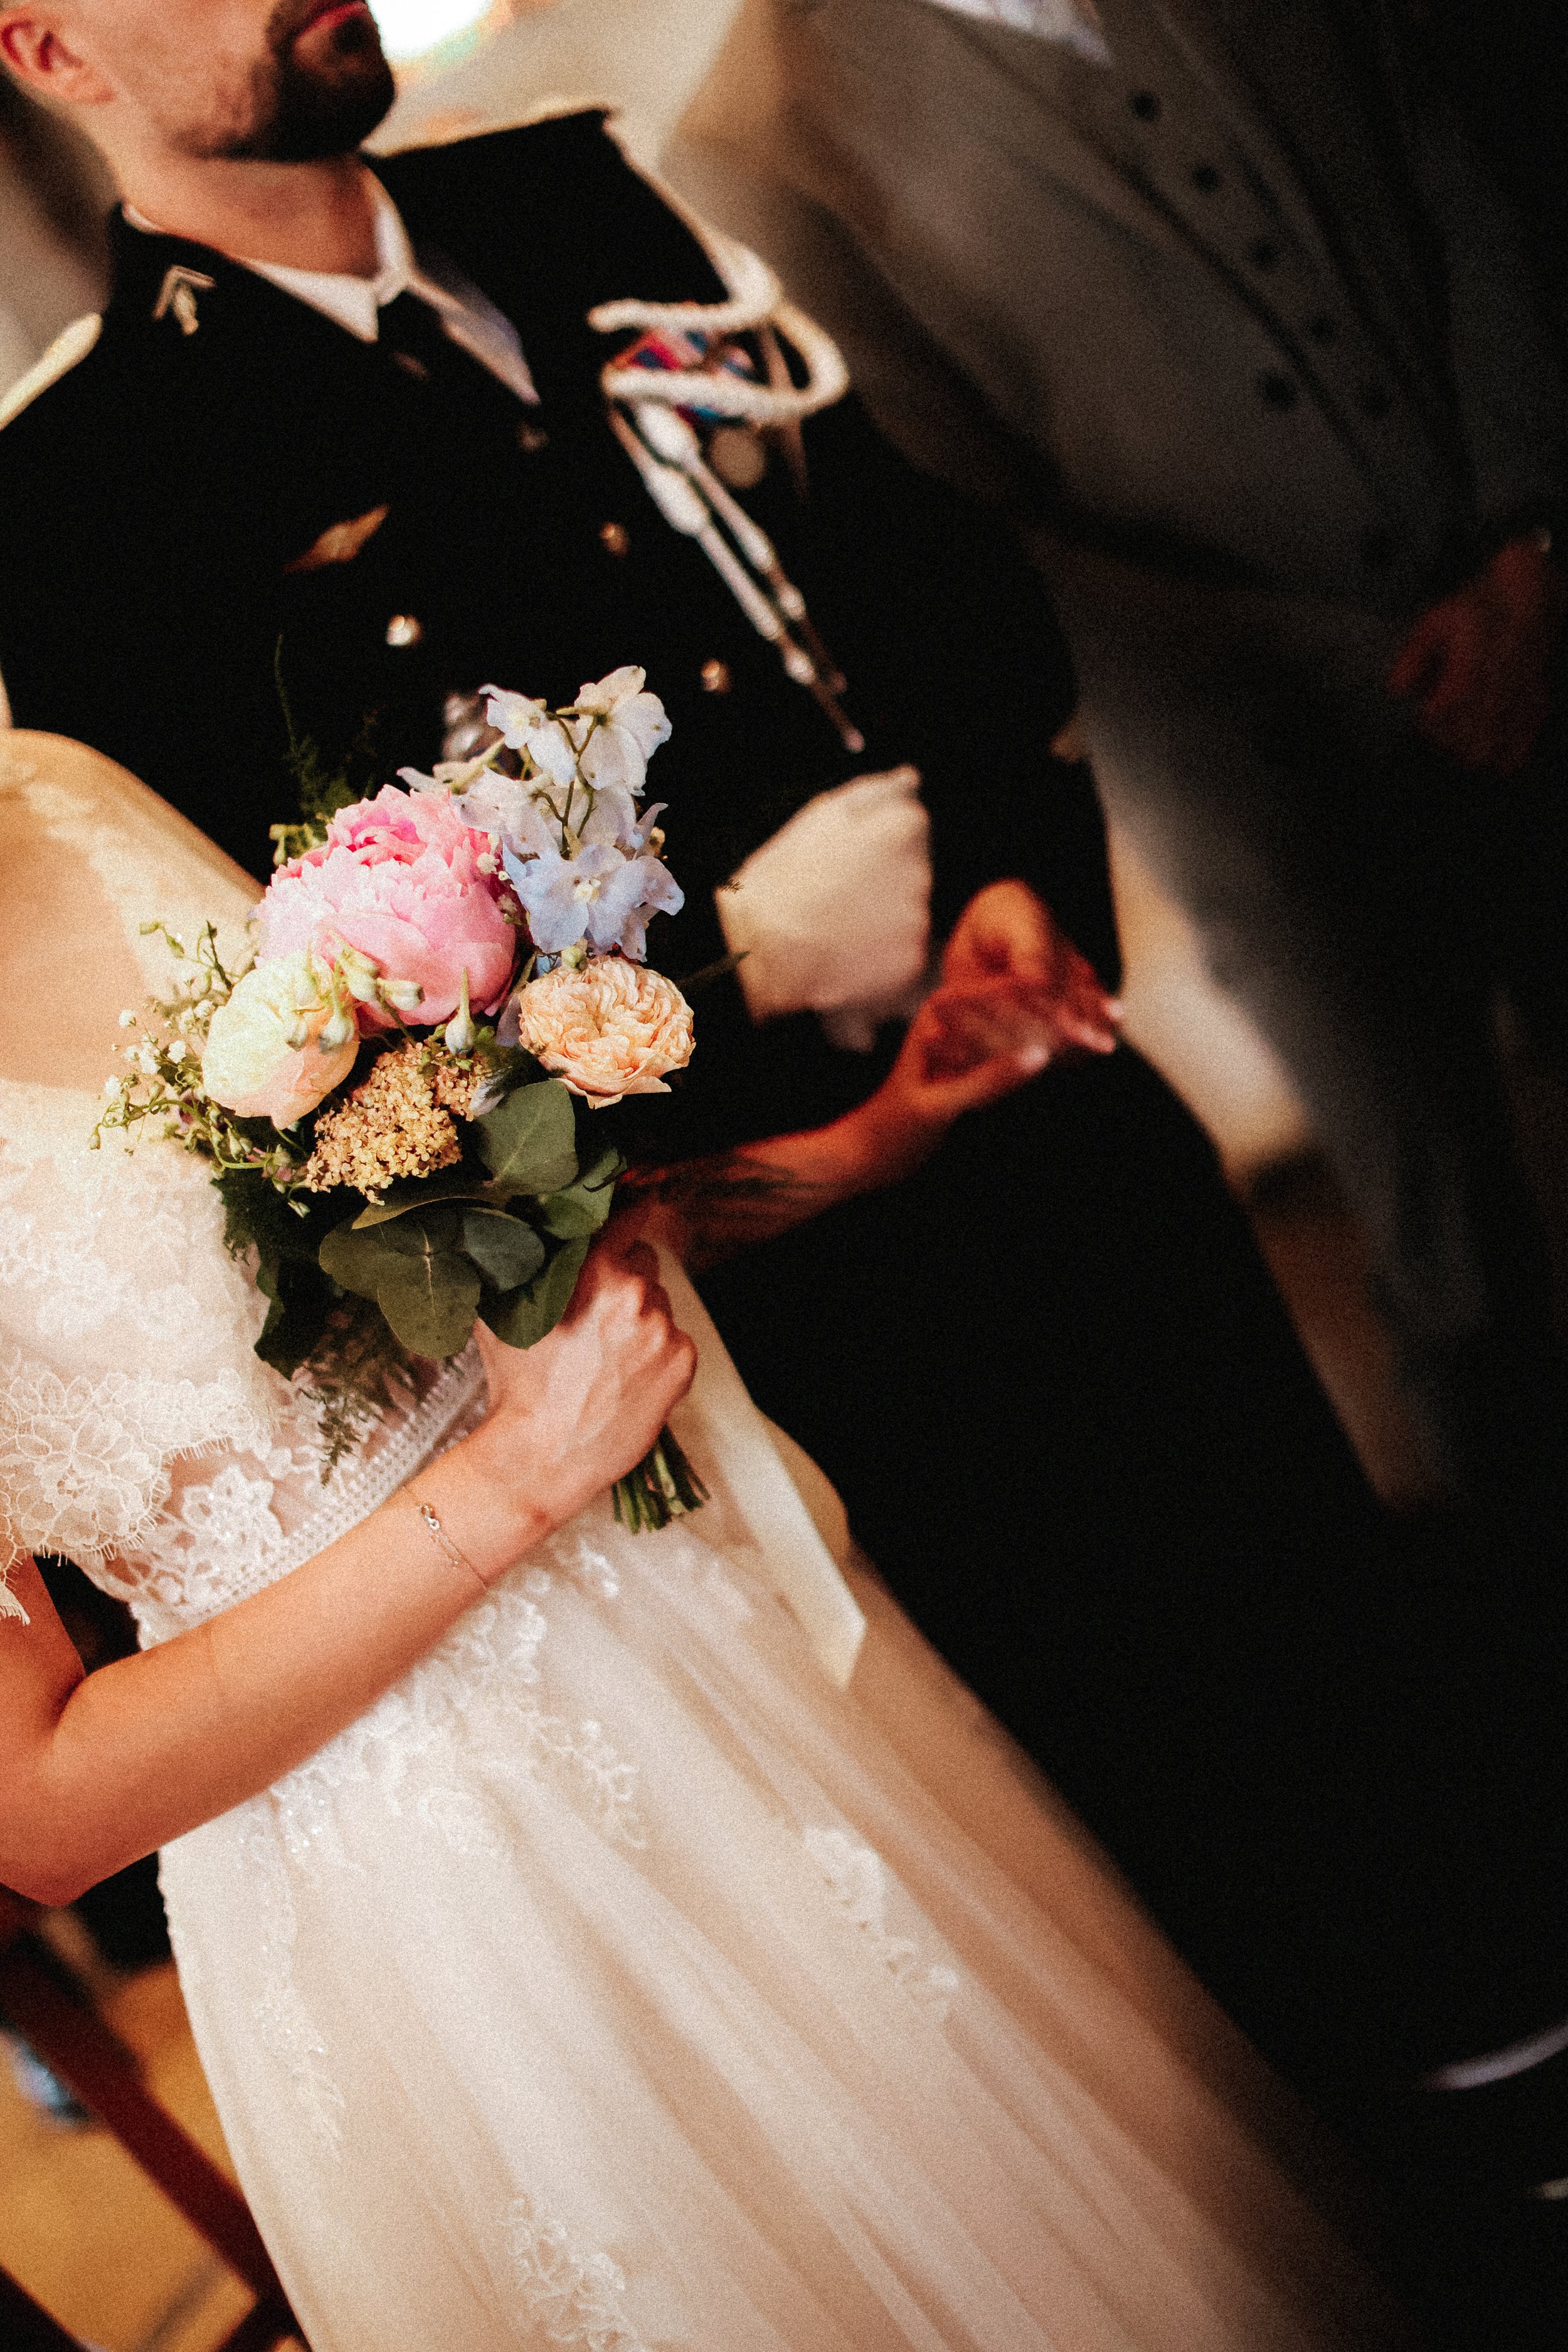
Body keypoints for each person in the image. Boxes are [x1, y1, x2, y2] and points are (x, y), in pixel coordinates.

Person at [0, 0, 1429, 2176]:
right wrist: (745, 964)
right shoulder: (85, 488)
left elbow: (919, 563)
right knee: (1167, 1893)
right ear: (44, 42)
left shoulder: (562, 194)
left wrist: (1004, 885)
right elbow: (301, 1024)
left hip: (1030, 1071)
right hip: (776, 1279)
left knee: (1355, 1669)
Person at [0, 729, 1416, 2349]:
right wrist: (519, 1480)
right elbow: (35, 1802)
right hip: (447, 1877)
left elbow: (433, 1233)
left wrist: (871, 1134)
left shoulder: (56, 783)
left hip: (676, 1624)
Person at [670, 0, 1568, 1544]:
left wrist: (1525, 535)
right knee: (1446, 1232)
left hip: (1528, 586)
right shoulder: (755, 135)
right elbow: (962, 532)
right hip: (1245, 759)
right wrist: (1375, 659)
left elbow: (1453, 172)